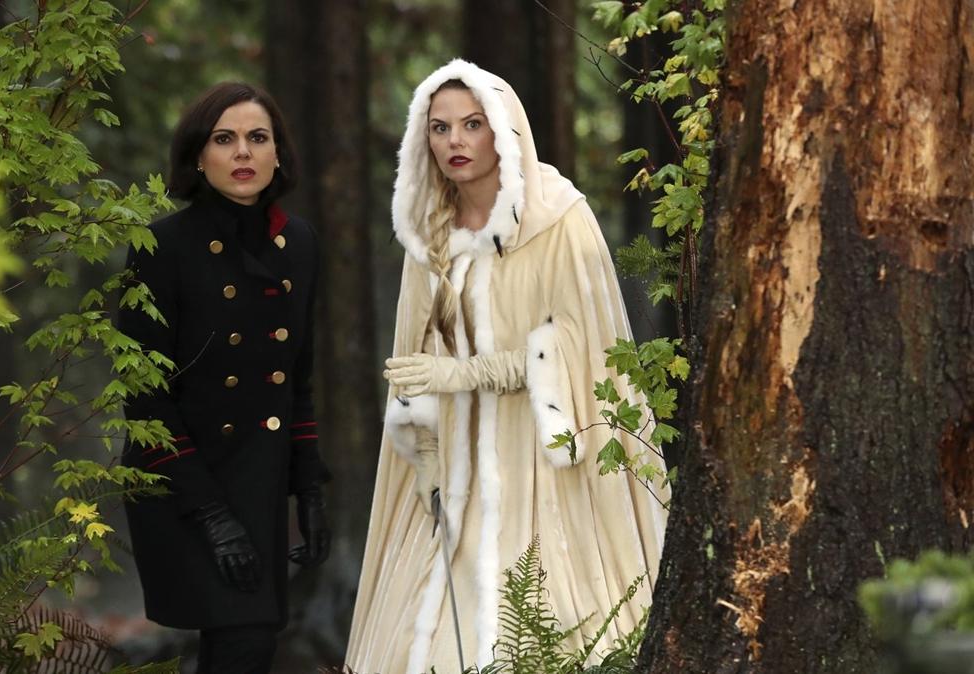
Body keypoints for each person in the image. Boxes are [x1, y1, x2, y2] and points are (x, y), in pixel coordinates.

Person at [345, 59, 667, 673]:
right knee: (434, 632)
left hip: (545, 466)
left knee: (550, 621)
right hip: (457, 463)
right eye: (440, 128)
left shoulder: (560, 218)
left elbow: (583, 350)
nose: (456, 141)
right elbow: (416, 354)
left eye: (473, 124)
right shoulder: (428, 234)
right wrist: (424, 449)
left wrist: (468, 374)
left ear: (504, 129)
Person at [117, 82, 331, 674]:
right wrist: (211, 515)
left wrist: (309, 493)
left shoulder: (300, 244)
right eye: (224, 139)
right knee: (245, 641)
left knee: (247, 642)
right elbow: (144, 397)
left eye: (257, 138)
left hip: (258, 479)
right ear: (197, 156)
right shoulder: (161, 246)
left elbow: (296, 382)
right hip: (183, 478)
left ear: (278, 154)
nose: (242, 152)